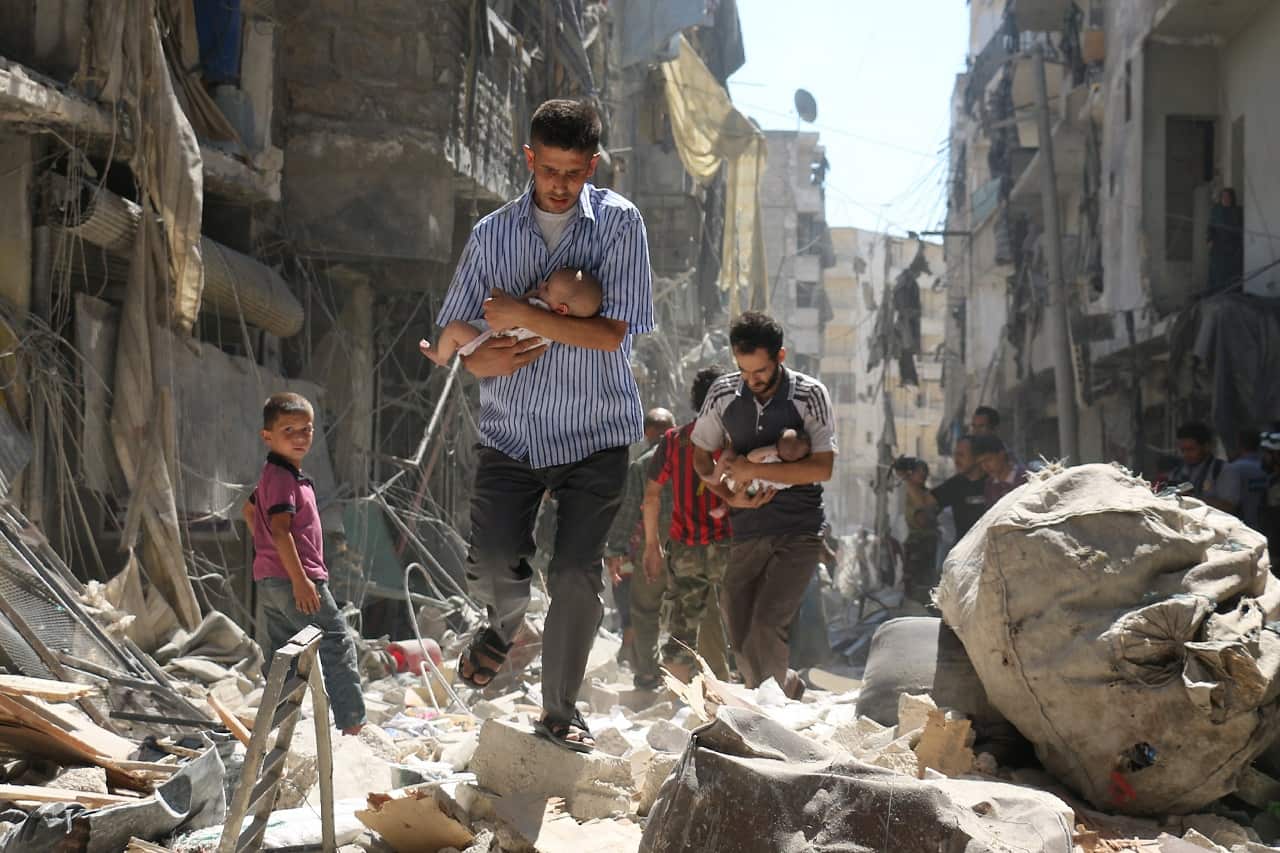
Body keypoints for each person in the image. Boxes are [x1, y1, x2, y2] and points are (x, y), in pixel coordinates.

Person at [432, 99, 653, 753]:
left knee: (576, 573)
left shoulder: (620, 225)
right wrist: (480, 357)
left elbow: (612, 334)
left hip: (596, 434)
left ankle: (560, 710)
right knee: (495, 560)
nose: (560, 184)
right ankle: (502, 626)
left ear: (593, 166)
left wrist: (521, 316)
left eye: (573, 172)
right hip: (512, 433)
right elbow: (459, 334)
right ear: (530, 159)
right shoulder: (491, 235)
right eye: (549, 169)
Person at [692, 312, 837, 700]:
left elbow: (822, 468)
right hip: (747, 528)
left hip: (799, 529)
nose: (752, 380)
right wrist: (728, 495)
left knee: (767, 624)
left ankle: (769, 710)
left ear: (780, 356)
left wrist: (752, 468)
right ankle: (783, 684)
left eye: (760, 371)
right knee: (738, 625)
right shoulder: (723, 393)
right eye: (744, 370)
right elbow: (700, 456)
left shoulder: (810, 395)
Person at [242, 393, 366, 735]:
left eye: (306, 430)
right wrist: (299, 580)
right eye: (288, 430)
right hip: (294, 579)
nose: (299, 437)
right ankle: (352, 724)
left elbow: (249, 511)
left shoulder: (277, 475)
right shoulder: (282, 478)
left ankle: (278, 726)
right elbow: (281, 530)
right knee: (336, 641)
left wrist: (267, 553)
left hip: (272, 578)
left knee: (285, 655)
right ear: (267, 436)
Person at [642, 366, 733, 685]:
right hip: (729, 547)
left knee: (683, 629)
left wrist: (651, 546)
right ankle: (728, 692)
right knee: (741, 624)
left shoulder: (674, 440)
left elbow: (651, 495)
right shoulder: (736, 441)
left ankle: (681, 697)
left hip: (686, 549)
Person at [605, 407, 675, 690]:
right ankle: (696, 671)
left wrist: (614, 549)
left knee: (645, 609)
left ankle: (647, 673)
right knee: (694, 606)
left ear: (647, 432)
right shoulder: (691, 459)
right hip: (691, 544)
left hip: (652, 545)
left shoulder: (642, 465)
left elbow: (628, 510)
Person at [419, 267, 602, 365]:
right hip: (489, 341)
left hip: (486, 342)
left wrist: (520, 300)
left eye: (547, 288)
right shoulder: (554, 331)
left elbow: (511, 317)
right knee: (458, 331)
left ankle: (441, 356)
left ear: (561, 310)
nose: (541, 285)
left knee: (454, 328)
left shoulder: (540, 315)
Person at [708, 429, 811, 519]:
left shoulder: (783, 467)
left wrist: (771, 450)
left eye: (793, 451)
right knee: (729, 456)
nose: (789, 449)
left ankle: (724, 504)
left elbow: (751, 457)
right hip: (742, 477)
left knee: (736, 487)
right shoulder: (775, 459)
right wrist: (772, 450)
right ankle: (717, 481)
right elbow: (751, 458)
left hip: (751, 489)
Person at [894, 457, 939, 606]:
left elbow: (926, 515)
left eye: (925, 471)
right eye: (920, 471)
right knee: (913, 580)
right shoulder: (905, 491)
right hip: (912, 543)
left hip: (928, 543)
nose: (923, 474)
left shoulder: (925, 493)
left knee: (926, 580)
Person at [926, 435, 989, 541]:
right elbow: (926, 501)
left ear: (977, 457)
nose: (956, 460)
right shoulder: (955, 484)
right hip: (965, 547)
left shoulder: (993, 482)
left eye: (961, 455)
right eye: (955, 455)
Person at [1170, 421, 1229, 510]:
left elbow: (1228, 506)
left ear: (1206, 446)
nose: (1186, 454)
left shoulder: (1223, 470)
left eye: (1191, 449)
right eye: (1182, 450)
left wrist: (1192, 499)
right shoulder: (1177, 472)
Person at [1218, 429, 1269, 530]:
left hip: (1244, 528)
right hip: (1268, 526)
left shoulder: (1234, 469)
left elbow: (1230, 503)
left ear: (1239, 444)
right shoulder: (1269, 467)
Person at [973, 434, 1028, 505]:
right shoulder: (989, 484)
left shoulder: (1025, 478)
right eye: (981, 463)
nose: (985, 466)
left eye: (988, 460)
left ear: (1001, 454)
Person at [1208, 188, 1244, 293]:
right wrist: (1209, 240)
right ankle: (1215, 293)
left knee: (1232, 272)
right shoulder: (1216, 210)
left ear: (1232, 198)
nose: (1225, 198)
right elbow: (1210, 227)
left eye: (1228, 196)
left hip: (1233, 248)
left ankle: (1232, 294)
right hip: (1218, 247)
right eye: (1223, 196)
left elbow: (1241, 228)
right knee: (1217, 272)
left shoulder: (1238, 211)